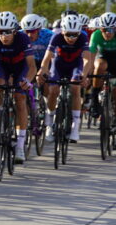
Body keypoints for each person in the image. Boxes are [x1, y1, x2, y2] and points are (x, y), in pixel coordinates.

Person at [0, 11, 37, 163]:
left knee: (20, 98)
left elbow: (32, 66)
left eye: (8, 32)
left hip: (20, 68)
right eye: (0, 32)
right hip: (2, 66)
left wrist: (28, 81)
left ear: (15, 30)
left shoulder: (23, 38)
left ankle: (20, 147)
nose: (4, 36)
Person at [38, 14, 93, 142]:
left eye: (75, 34)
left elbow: (86, 59)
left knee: (75, 88)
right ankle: (50, 123)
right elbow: (47, 58)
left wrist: (84, 75)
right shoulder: (56, 37)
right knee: (53, 91)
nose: (72, 38)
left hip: (75, 65)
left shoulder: (83, 37)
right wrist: (43, 70)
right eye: (68, 34)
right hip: (59, 65)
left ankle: (75, 126)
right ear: (62, 31)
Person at [89, 12, 116, 149]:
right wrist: (87, 74)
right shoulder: (96, 35)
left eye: (111, 30)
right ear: (100, 29)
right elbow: (90, 56)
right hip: (103, 60)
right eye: (104, 30)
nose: (107, 33)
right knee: (99, 66)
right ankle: (94, 98)